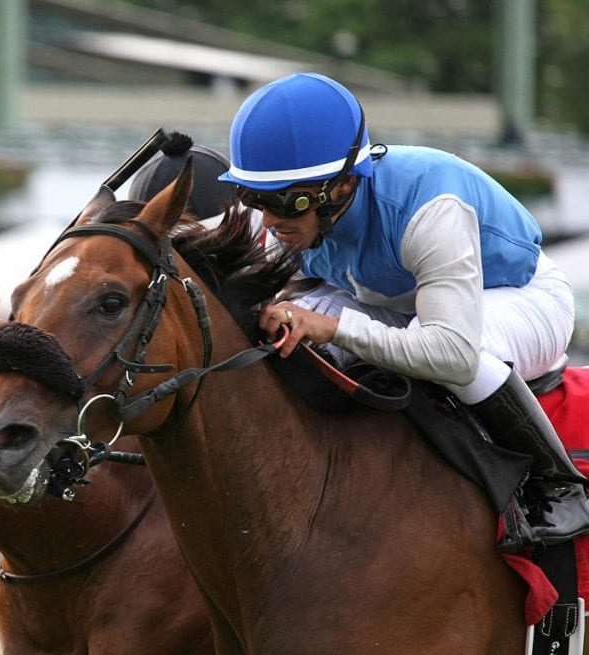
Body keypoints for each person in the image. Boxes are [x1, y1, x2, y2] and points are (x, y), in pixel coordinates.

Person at [219, 71, 589, 552]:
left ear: (344, 184)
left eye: (286, 202)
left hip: (518, 297)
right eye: (254, 199)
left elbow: (451, 353)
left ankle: (559, 487)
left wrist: (333, 327)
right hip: (400, 302)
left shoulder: (430, 206)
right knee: (278, 317)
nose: (269, 221)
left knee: (465, 354)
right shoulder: (297, 215)